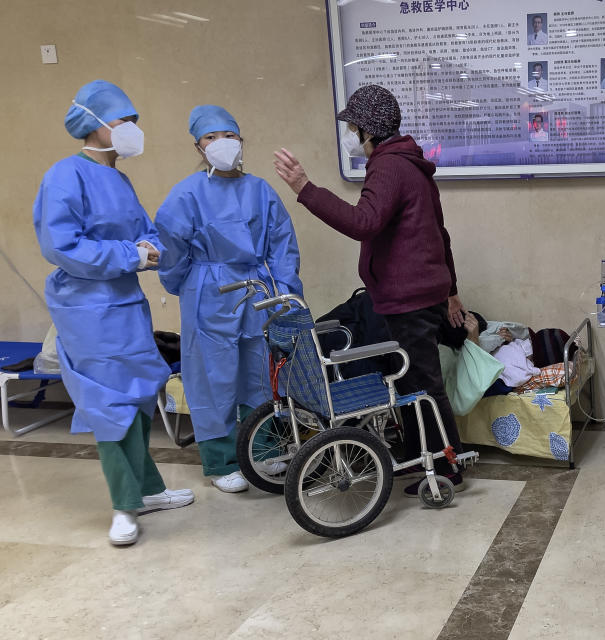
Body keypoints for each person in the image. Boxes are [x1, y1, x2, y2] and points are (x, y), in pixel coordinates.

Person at [273, 84, 467, 495]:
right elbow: (440, 234)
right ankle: (430, 461)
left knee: (421, 387)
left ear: (368, 130)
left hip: (409, 300)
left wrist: (306, 189)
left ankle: (446, 468)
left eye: (353, 127)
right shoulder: (411, 164)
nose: (350, 136)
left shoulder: (389, 167)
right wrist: (451, 289)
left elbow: (364, 222)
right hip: (420, 294)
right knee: (416, 384)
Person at [33, 80, 194, 547]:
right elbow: (61, 246)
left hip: (125, 307)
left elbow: (146, 232)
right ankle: (124, 507)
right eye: (124, 121)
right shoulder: (65, 175)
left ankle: (148, 489)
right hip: (88, 310)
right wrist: (131, 255)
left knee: (141, 394)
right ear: (95, 125)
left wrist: (156, 250)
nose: (132, 130)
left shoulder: (118, 179)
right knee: (110, 405)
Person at [155, 105, 303, 494]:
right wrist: (184, 285)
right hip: (208, 292)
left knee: (261, 371)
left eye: (229, 136)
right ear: (198, 147)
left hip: (258, 290)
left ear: (241, 142)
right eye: (211, 137)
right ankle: (221, 461)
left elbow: (282, 246)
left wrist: (286, 294)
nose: (221, 143)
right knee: (212, 376)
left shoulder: (260, 190)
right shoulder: (187, 193)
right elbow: (171, 248)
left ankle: (267, 449)